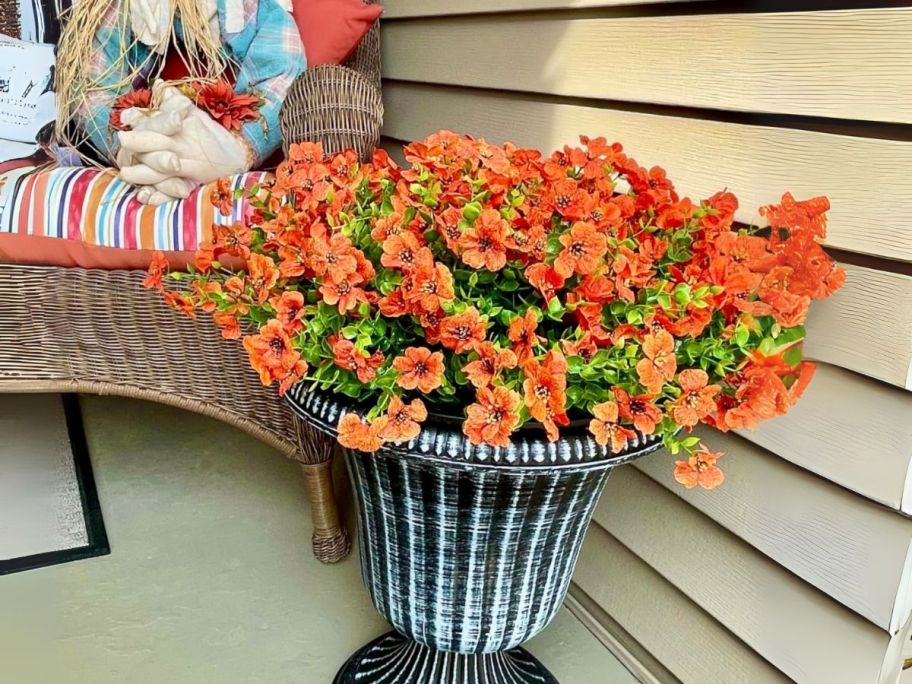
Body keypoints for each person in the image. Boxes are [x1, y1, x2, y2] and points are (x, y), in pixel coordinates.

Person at [56, 0, 304, 204]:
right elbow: (90, 85)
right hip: (146, 136)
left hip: (224, 138)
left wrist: (234, 146)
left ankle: (185, 157)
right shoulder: (114, 10)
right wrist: (140, 142)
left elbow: (282, 71)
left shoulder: (255, 9)